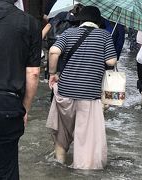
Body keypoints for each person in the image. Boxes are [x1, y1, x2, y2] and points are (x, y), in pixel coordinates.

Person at [46, 6, 117, 169]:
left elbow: (53, 51)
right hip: (89, 94)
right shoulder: (105, 35)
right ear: (98, 22)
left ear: (80, 20)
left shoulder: (68, 33)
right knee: (86, 139)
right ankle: (82, 170)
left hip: (64, 92)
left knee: (62, 133)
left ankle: (59, 163)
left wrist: (52, 73)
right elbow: (111, 62)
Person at [0, 0, 41, 179]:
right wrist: (25, 109)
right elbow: (33, 73)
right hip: (9, 105)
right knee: (7, 169)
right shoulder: (29, 22)